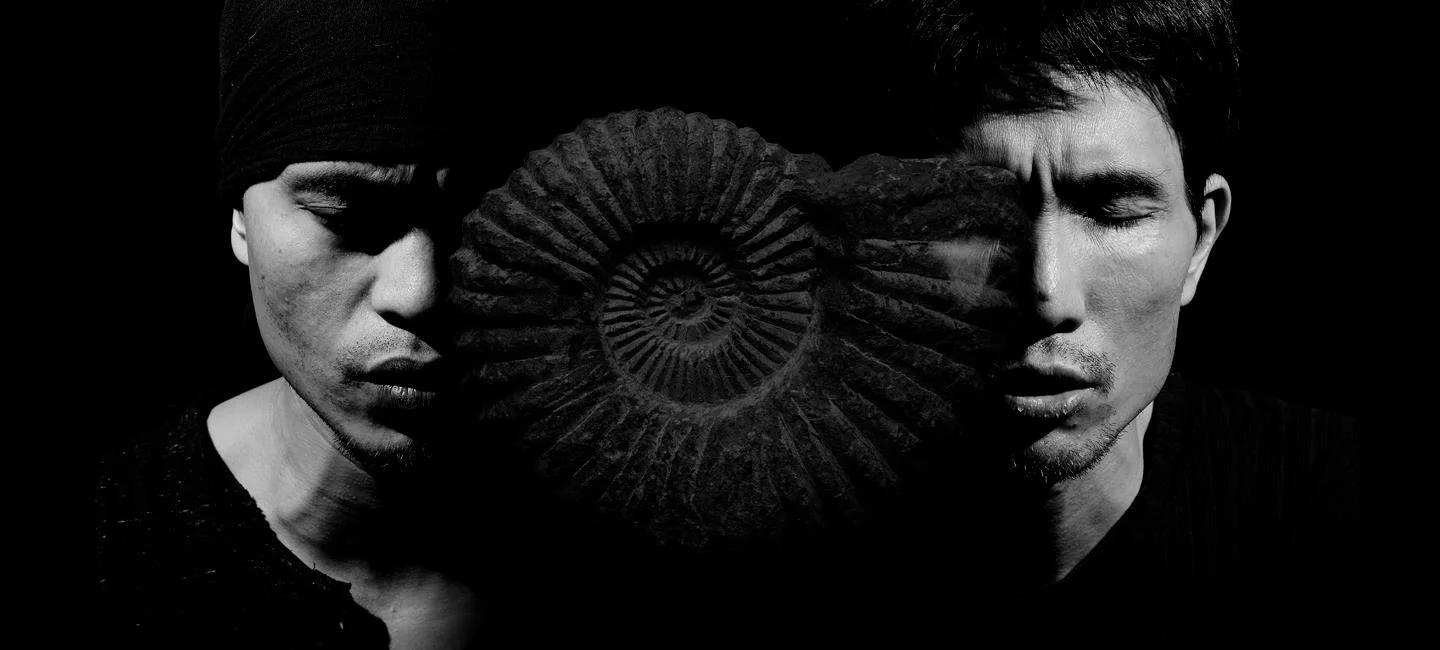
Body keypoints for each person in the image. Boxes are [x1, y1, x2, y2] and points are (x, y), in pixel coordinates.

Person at [92, 1, 504, 647]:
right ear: (240, 221)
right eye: (345, 215)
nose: (419, 293)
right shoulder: (112, 545)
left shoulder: (623, 556)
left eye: (478, 222)